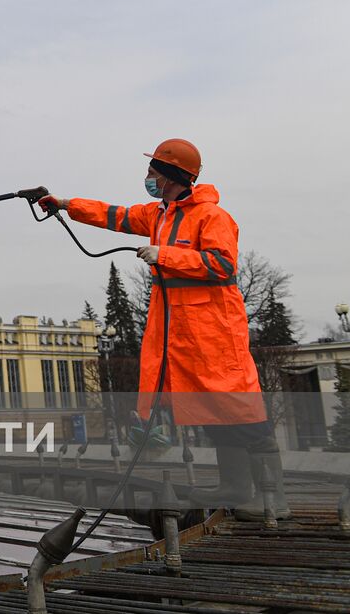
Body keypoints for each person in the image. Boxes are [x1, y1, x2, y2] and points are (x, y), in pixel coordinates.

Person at [35, 138, 287, 519]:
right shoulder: (160, 215)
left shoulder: (212, 217)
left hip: (214, 333)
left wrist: (164, 255)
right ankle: (235, 488)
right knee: (211, 413)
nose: (148, 176)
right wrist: (66, 204)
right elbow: (115, 215)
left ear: (172, 175)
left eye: (154, 170)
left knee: (240, 410)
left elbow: (222, 266)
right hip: (180, 333)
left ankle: (273, 500)